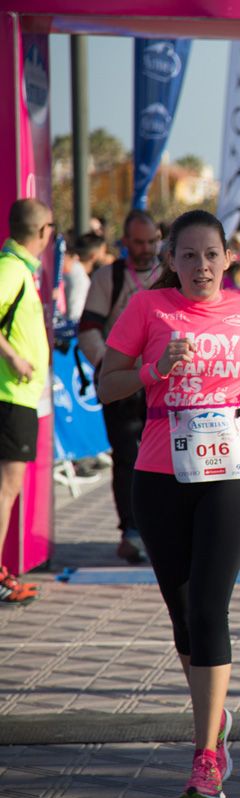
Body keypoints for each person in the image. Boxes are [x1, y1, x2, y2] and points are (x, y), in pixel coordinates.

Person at [97, 209, 240, 798]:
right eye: (188, 256)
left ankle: (206, 754)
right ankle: (215, 718)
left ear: (228, 259)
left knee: (210, 606)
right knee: (184, 614)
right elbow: (108, 383)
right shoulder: (147, 310)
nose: (201, 266)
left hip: (236, 469)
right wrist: (155, 370)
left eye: (211, 255)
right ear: (170, 261)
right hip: (160, 474)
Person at [79, 209, 164, 564]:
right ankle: (131, 531)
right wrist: (106, 364)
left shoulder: (170, 275)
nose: (145, 249)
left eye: (151, 242)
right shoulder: (107, 277)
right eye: (138, 243)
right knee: (127, 458)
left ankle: (164, 528)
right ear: (125, 242)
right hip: (124, 384)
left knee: (166, 456)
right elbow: (88, 328)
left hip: (164, 382)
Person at [0, 199, 53, 606]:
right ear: (43, 232)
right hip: (9, 396)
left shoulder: (21, 270)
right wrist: (13, 356)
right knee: (6, 487)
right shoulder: (11, 269)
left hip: (19, 397)